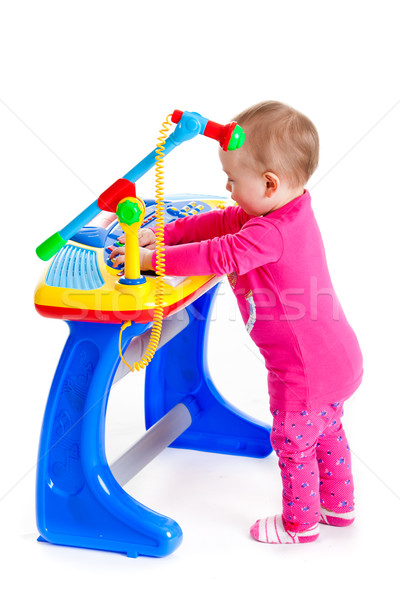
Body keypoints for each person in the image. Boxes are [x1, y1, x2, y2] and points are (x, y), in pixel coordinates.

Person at [110, 101, 363, 544]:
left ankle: (299, 525)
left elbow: (220, 252)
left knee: (293, 441)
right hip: (336, 360)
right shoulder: (283, 211)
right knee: (327, 427)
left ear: (269, 183)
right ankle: (338, 507)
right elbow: (222, 224)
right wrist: (163, 234)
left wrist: (152, 260)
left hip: (302, 371)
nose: (227, 188)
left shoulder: (269, 233)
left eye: (232, 179)